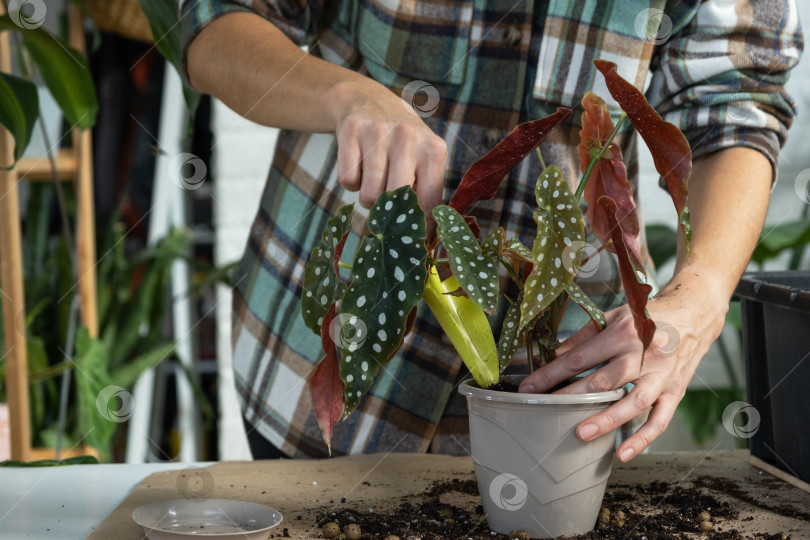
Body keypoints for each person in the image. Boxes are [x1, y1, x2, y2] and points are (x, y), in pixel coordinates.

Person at [181, 0, 803, 459]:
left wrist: (702, 289)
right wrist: (346, 96)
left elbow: (735, 103)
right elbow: (216, 26)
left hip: (558, 405)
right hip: (321, 372)